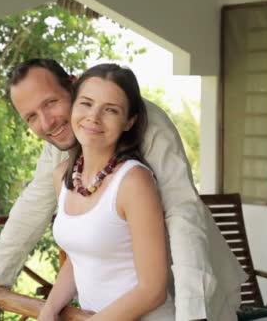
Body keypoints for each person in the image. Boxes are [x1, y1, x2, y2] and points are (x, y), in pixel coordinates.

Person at [0, 58, 247, 321]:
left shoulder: (148, 129)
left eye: (50, 103)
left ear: (73, 85)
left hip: (185, 285)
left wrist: (191, 311)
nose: (46, 122)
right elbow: (36, 203)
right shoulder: (63, 154)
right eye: (31, 117)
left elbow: (182, 212)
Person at [40, 63, 173, 320]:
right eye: (86, 103)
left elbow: (153, 290)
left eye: (110, 110)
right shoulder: (64, 176)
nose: (94, 117)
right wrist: (49, 308)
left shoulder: (134, 181)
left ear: (129, 122)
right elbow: (79, 257)